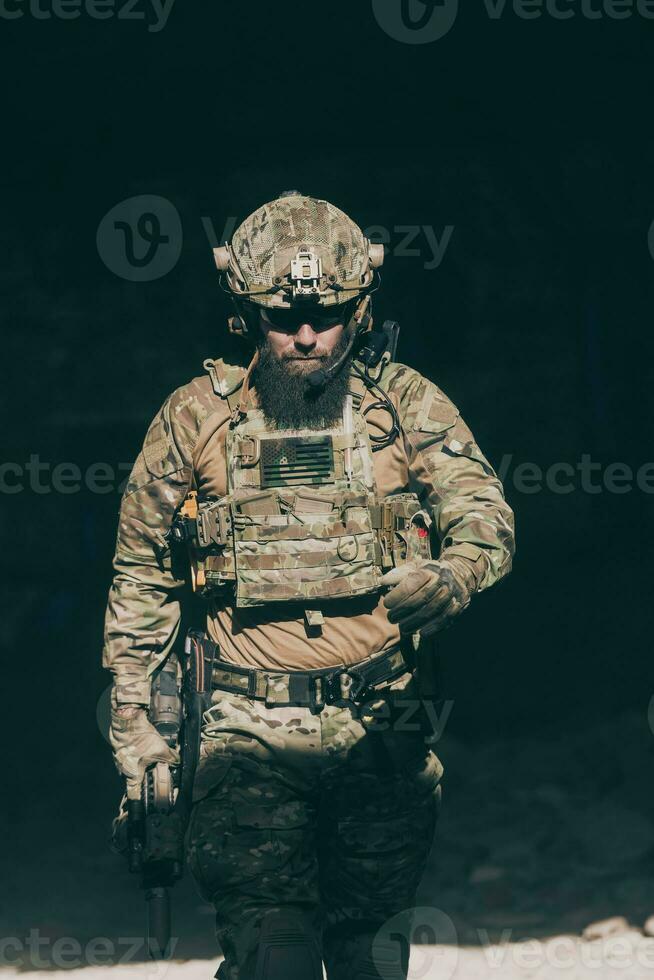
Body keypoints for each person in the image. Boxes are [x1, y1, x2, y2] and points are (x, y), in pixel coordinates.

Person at [104, 191, 515, 980]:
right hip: (242, 733)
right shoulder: (195, 419)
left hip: (381, 729)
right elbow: (141, 578)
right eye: (283, 316)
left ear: (361, 310)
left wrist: (453, 576)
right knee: (276, 958)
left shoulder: (405, 405)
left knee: (369, 958)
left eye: (326, 315)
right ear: (244, 313)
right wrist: (138, 737)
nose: (304, 336)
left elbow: (485, 514)